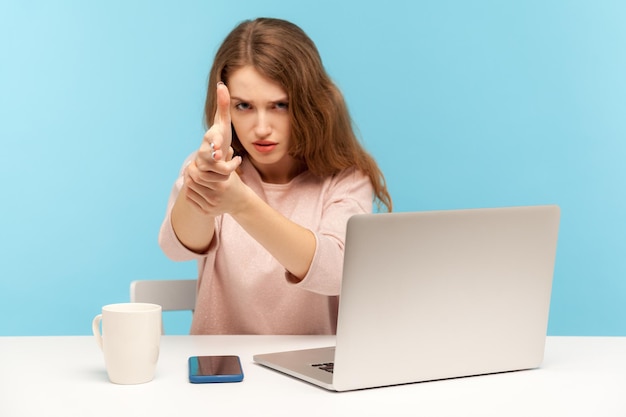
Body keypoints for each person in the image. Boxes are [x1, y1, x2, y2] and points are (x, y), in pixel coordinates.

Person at [159, 17, 392, 335]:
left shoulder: (346, 179)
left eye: (280, 105)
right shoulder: (216, 169)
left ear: (310, 104)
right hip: (224, 371)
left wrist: (242, 204)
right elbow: (178, 248)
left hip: (313, 375)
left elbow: (335, 271)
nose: (262, 127)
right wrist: (202, 184)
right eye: (244, 106)